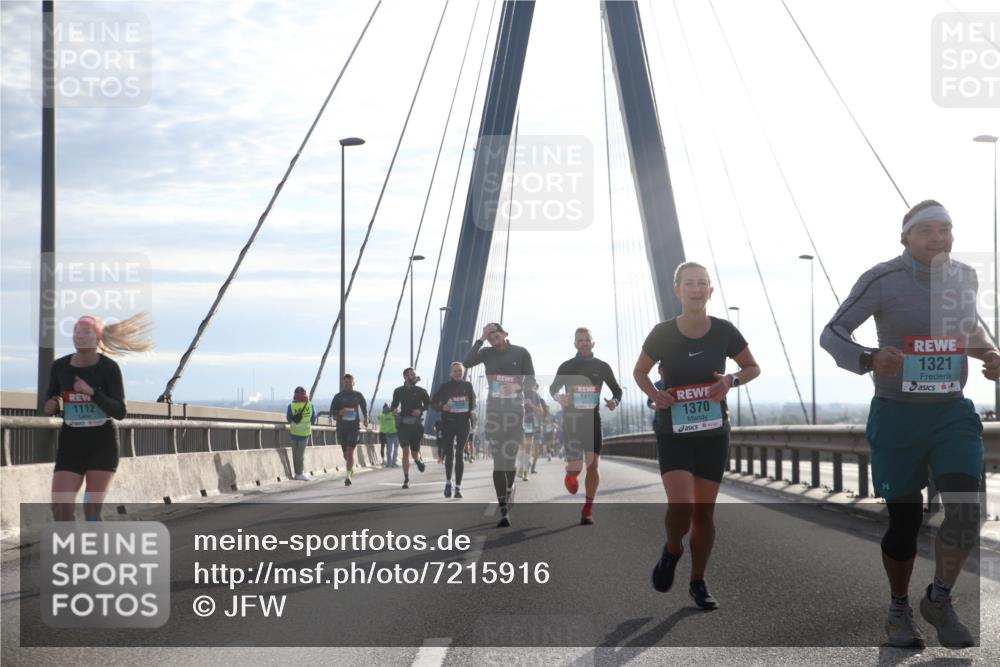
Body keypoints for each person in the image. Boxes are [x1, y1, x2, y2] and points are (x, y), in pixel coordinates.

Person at [820, 200, 999, 648]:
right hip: (897, 414)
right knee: (905, 521)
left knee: (965, 508)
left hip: (951, 413)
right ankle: (899, 609)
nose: (939, 238)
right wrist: (868, 358)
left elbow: (968, 330)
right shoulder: (882, 278)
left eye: (946, 230)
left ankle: (939, 598)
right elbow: (833, 332)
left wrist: (991, 353)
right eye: (928, 231)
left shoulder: (964, 277)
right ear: (906, 238)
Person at [633, 262, 760, 609]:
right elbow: (640, 372)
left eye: (702, 283)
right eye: (689, 283)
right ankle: (672, 550)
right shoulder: (661, 333)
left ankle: (698, 582)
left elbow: (752, 367)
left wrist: (731, 380)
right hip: (673, 431)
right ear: (677, 290)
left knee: (703, 513)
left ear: (710, 291)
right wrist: (657, 395)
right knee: (681, 504)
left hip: (712, 433)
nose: (696, 288)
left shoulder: (723, 331)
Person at [44, 314, 153, 521]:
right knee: (60, 507)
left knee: (91, 511)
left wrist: (92, 393)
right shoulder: (60, 366)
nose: (79, 336)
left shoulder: (109, 368)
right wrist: (51, 404)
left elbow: (120, 411)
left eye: (86, 332)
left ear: (98, 338)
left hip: (102, 445)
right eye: (76, 331)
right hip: (71, 445)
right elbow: (52, 395)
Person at [464, 323, 535, 527]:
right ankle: (503, 509)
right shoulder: (486, 353)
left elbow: (531, 381)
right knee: (498, 462)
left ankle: (510, 487)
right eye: (490, 338)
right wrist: (480, 338)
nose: (494, 341)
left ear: (505, 334)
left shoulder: (521, 353)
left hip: (514, 413)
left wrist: (517, 385)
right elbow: (467, 362)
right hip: (495, 414)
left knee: (510, 461)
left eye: (496, 336)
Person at [550, 327, 622, 525]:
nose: (583, 342)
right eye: (579, 340)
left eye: (586, 339)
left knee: (593, 465)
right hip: (571, 421)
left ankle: (588, 508)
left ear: (593, 343)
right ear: (575, 344)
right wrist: (559, 397)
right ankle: (571, 475)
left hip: (593, 421)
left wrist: (614, 401)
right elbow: (553, 388)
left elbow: (617, 390)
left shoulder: (603, 366)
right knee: (576, 468)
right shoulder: (566, 366)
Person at [431, 361, 477, 498]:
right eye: (455, 371)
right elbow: (433, 403)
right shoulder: (444, 387)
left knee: (459, 455)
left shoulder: (468, 385)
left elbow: (473, 403)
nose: (457, 373)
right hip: (448, 423)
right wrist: (442, 407)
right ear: (451, 373)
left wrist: (469, 406)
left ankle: (458, 488)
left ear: (463, 373)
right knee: (449, 453)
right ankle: (448, 483)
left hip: (463, 423)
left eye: (460, 371)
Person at [391, 368, 430, 489]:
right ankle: (406, 479)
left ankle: (418, 461)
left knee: (414, 453)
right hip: (403, 424)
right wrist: (394, 410)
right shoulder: (398, 391)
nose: (414, 376)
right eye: (412, 374)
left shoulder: (421, 391)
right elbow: (394, 404)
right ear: (405, 377)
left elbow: (429, 404)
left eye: (415, 374)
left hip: (416, 425)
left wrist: (420, 410)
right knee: (405, 451)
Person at [330, 374, 369, 487]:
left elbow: (364, 407)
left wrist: (366, 417)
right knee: (346, 454)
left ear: (353, 382)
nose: (348, 383)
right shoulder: (338, 396)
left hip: (354, 427)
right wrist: (339, 412)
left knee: (350, 452)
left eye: (350, 381)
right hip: (342, 428)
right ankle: (350, 468)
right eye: (346, 382)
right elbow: (332, 411)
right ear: (344, 383)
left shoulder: (358, 395)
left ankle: (348, 477)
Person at [286, 386, 317, 481]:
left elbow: (289, 419)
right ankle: (299, 474)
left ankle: (297, 473)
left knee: (295, 455)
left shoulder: (291, 406)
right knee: (300, 455)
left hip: (293, 433)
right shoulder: (310, 405)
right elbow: (313, 420)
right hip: (304, 434)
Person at [518, 383, 544, 481]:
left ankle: (523, 471)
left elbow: (540, 412)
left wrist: (531, 404)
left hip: (528, 421)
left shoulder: (534, 395)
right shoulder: (518, 391)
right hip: (519, 420)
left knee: (526, 446)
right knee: (523, 447)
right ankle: (521, 469)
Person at [378, 403, 400, 467]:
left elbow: (378, 417)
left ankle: (388, 463)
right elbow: (397, 412)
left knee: (388, 449)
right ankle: (393, 462)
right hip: (395, 433)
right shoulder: (392, 414)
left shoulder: (381, 416)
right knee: (395, 448)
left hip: (386, 434)